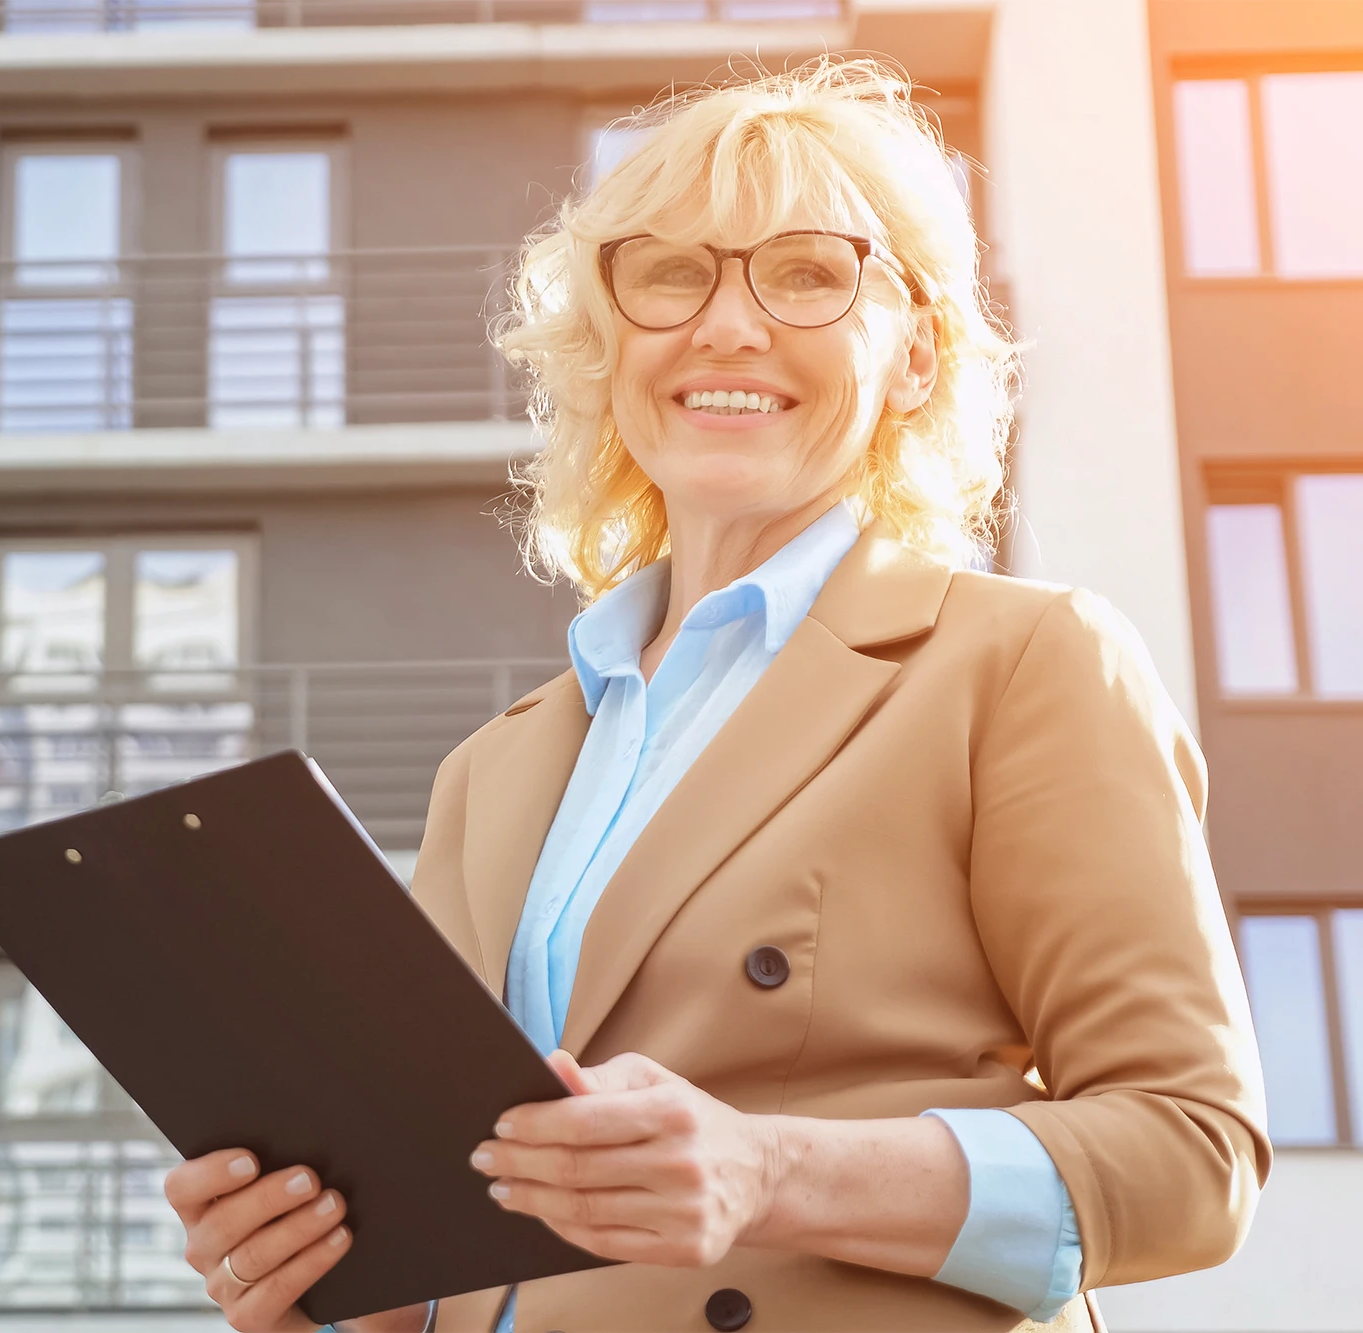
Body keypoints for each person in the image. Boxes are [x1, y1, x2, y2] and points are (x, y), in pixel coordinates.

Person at [163, 56, 1269, 1333]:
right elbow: (462, 1256)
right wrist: (318, 1281)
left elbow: (1189, 1153)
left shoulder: (1019, 662)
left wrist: (769, 1171)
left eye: (805, 274)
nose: (727, 326)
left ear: (914, 355)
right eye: (668, 274)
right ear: (605, 351)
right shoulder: (492, 769)